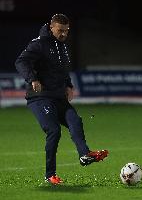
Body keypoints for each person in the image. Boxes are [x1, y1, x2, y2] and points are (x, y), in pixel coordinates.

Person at [15, 14, 109, 185]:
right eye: (60, 30)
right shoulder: (39, 43)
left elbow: (62, 70)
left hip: (58, 97)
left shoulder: (62, 46)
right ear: (51, 27)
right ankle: (50, 175)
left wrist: (69, 85)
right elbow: (21, 62)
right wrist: (33, 79)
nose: (64, 34)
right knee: (54, 130)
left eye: (66, 31)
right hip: (40, 98)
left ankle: (84, 155)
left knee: (75, 121)